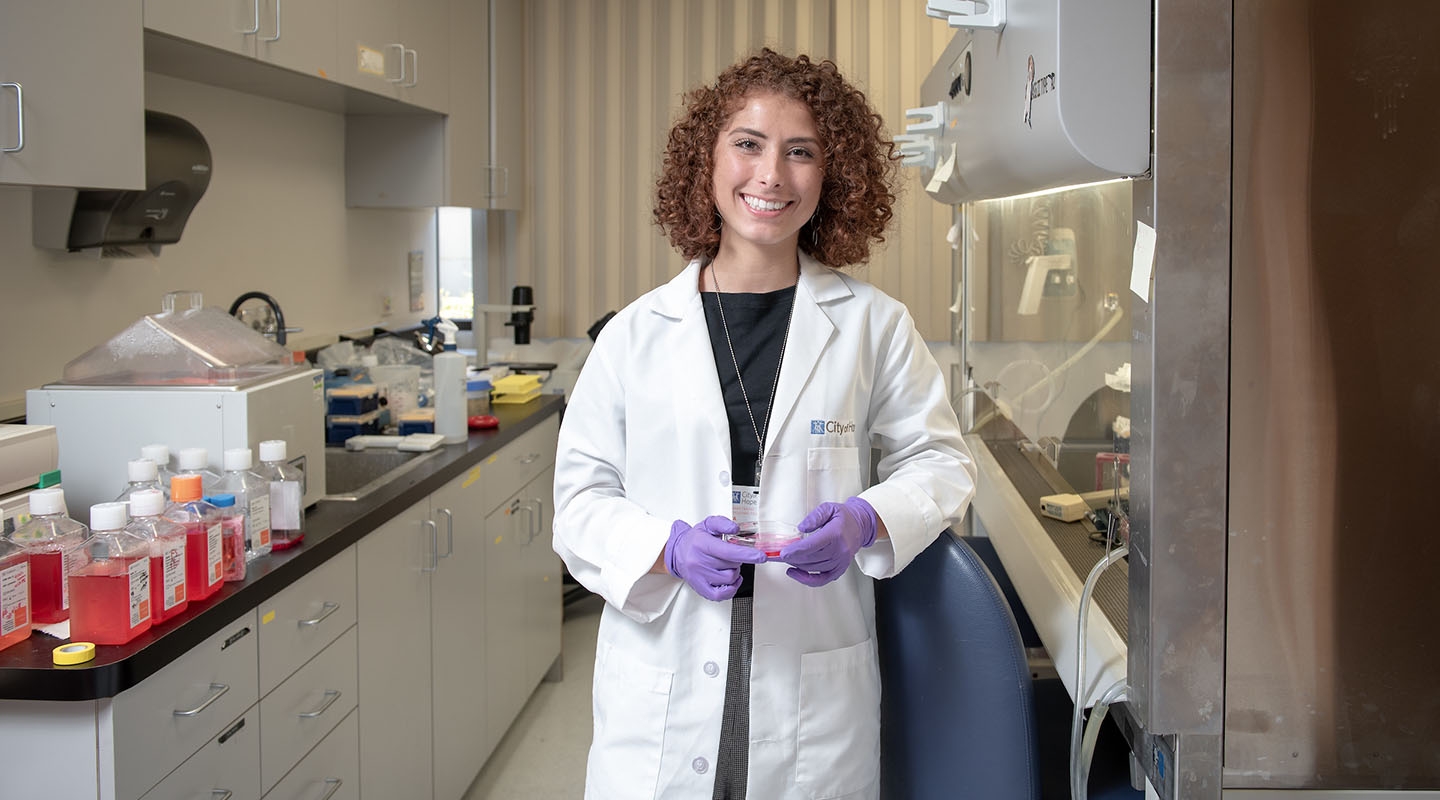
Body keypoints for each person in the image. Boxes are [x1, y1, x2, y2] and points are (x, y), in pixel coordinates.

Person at [553, 47, 977, 800]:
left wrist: (863, 521)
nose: (771, 176)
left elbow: (941, 462)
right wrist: (667, 549)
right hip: (669, 654)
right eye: (747, 144)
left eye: (801, 152)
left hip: (812, 661)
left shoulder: (873, 326)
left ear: (832, 175)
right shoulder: (635, 334)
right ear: (705, 161)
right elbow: (579, 502)